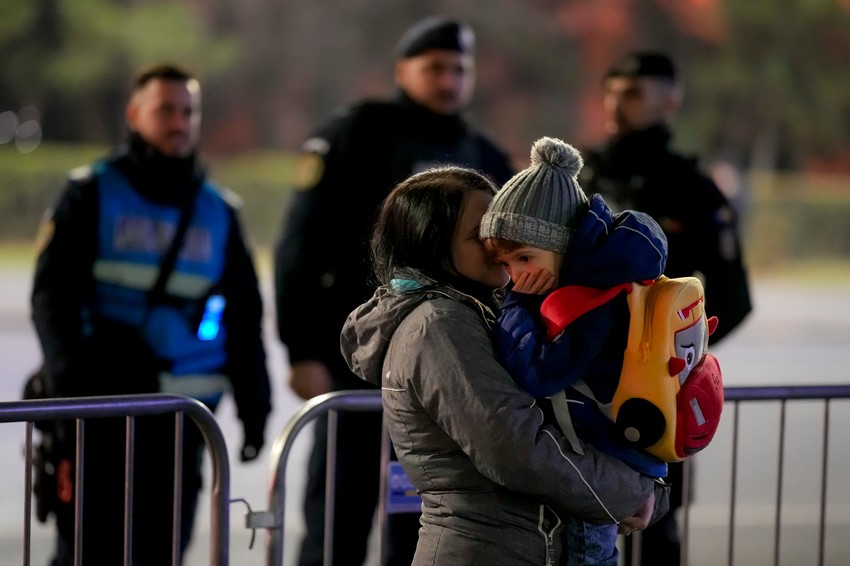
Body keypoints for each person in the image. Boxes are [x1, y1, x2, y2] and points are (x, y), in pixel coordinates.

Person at [274, 15, 514, 566]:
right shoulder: (358, 133)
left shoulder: (483, 153)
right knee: (337, 516)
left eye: (460, 69)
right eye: (435, 68)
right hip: (357, 363)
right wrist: (302, 350)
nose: (449, 80)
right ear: (403, 70)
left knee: (419, 522)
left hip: (450, 368)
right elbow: (299, 249)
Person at [340, 165, 669, 565]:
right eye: (480, 236)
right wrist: (630, 492)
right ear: (434, 245)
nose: (501, 242)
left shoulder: (489, 309)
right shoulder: (439, 326)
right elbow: (513, 446)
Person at [30, 62, 272, 565]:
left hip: (179, 422)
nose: (179, 122)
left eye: (189, 112)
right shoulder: (92, 192)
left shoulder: (218, 210)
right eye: (166, 110)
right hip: (99, 413)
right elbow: (52, 300)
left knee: (163, 550)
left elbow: (246, 317)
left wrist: (256, 406)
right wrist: (68, 396)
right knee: (86, 551)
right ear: (134, 114)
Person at [579, 50, 753, 565]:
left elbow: (732, 298)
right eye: (610, 90)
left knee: (652, 530)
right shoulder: (578, 176)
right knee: (573, 525)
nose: (616, 104)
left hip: (659, 392)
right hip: (579, 383)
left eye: (632, 92)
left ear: (670, 100)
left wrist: (675, 360)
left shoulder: (691, 190)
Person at [479, 137, 670, 565]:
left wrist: (517, 305)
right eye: (506, 266)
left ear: (562, 244)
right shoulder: (605, 276)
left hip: (599, 465)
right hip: (611, 458)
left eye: (525, 259)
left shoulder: (589, 299)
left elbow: (540, 372)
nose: (515, 276)